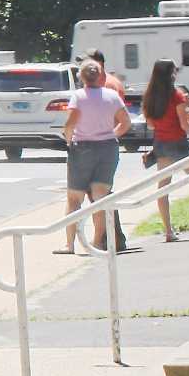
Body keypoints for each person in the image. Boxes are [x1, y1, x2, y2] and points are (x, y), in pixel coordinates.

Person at [59, 59, 130, 255]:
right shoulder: (112, 96)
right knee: (100, 197)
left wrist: (68, 140)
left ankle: (69, 244)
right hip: (107, 149)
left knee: (74, 199)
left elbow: (71, 123)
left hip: (82, 147)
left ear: (81, 77)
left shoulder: (79, 96)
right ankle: (98, 242)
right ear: (100, 75)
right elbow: (125, 122)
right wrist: (111, 134)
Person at [144, 59, 189, 242]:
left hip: (160, 144)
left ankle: (168, 231)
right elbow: (185, 126)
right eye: (174, 71)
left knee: (163, 188)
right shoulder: (177, 96)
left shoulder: (149, 96)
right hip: (178, 144)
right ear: (170, 74)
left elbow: (150, 124)